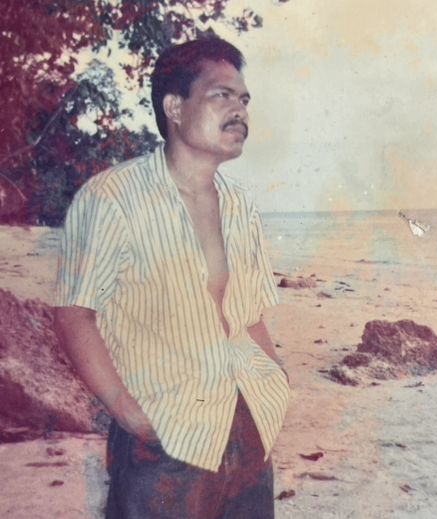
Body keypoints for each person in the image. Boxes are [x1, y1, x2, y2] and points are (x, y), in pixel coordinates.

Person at [54, 37, 290, 519]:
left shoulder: (240, 205)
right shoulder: (111, 197)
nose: (240, 110)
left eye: (244, 99)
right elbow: (73, 313)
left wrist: (275, 389)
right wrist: (125, 409)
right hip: (164, 443)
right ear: (174, 107)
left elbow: (248, 317)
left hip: (247, 428)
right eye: (222, 95)